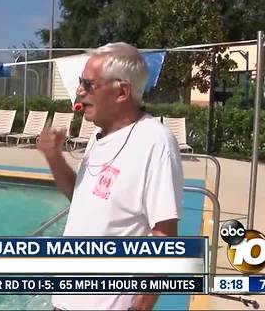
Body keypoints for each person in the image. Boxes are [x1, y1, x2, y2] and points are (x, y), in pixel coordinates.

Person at [37, 42, 184, 310]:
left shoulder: (155, 142)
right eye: (81, 82)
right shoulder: (99, 136)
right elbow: (79, 197)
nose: (79, 91)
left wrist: (143, 302)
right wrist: (54, 157)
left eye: (89, 84)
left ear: (122, 92)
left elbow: (164, 236)